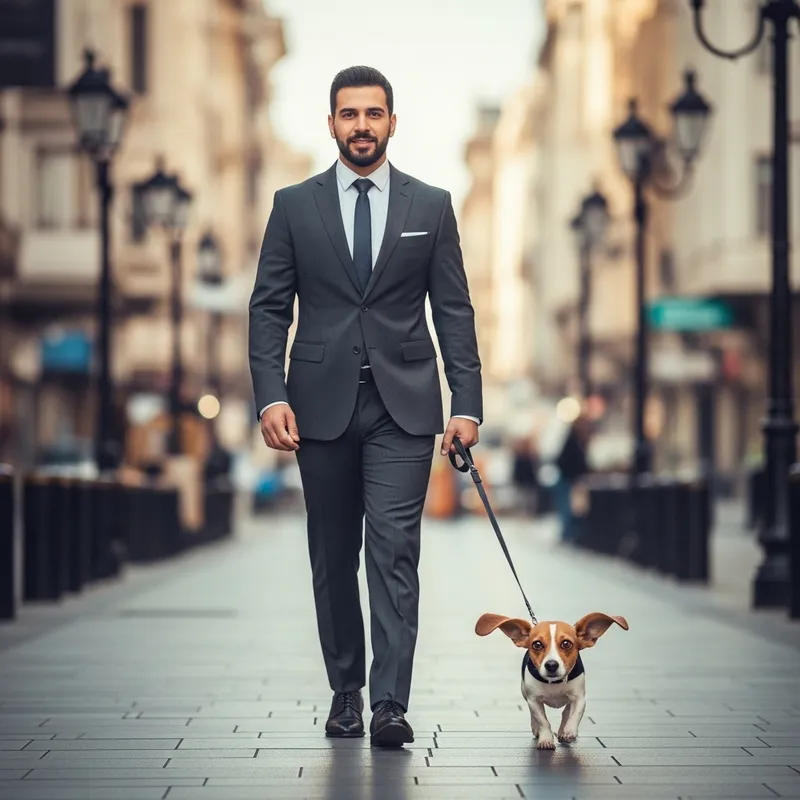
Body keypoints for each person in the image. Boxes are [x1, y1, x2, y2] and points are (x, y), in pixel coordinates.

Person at [248, 65, 482, 748]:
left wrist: (465, 401)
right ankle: (345, 690)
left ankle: (388, 704)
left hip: (403, 408)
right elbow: (268, 309)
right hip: (317, 408)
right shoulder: (294, 206)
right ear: (331, 124)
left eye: (373, 114)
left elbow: (455, 311)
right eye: (348, 114)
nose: (361, 126)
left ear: (391, 122)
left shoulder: (430, 206)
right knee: (331, 555)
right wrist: (270, 395)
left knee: (394, 551)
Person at [553, 413, 592, 544]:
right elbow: (567, 461)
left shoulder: (577, 440)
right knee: (568, 508)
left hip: (570, 479)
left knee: (572, 508)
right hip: (568, 479)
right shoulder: (573, 441)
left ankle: (569, 535)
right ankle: (567, 535)